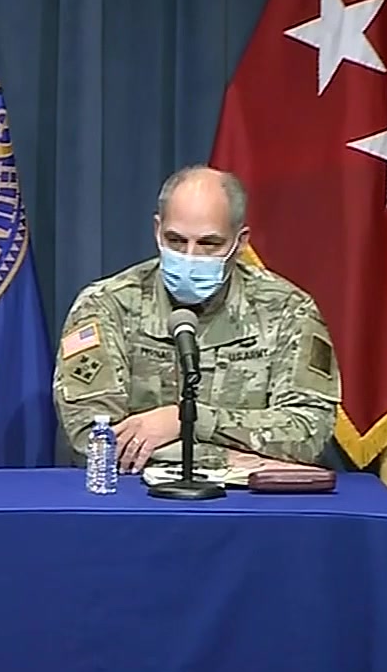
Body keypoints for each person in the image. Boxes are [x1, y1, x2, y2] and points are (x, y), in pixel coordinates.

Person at [51, 165, 341, 474]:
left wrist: (184, 422)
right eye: (175, 240)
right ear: (156, 230)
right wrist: (226, 459)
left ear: (240, 242)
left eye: (208, 244)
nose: (189, 256)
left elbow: (309, 431)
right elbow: (93, 437)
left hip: (251, 507)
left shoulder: (287, 310)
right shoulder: (106, 304)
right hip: (136, 500)